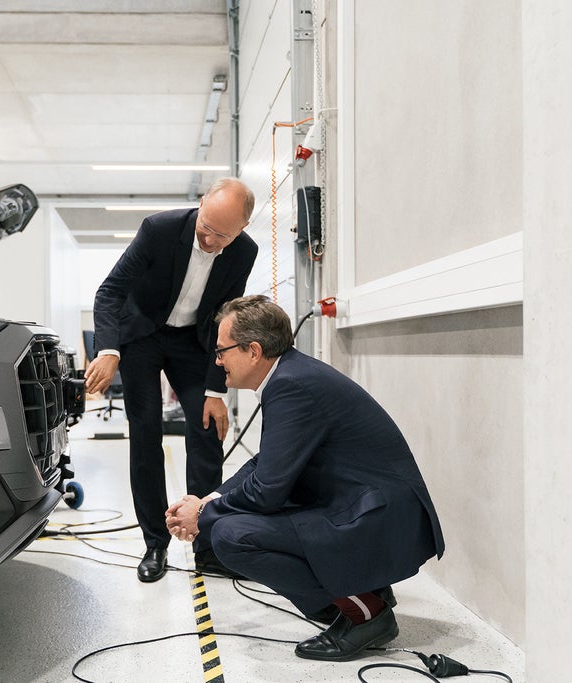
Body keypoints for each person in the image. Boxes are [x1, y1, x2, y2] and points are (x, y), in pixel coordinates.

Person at [165, 295, 445, 661]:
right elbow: (267, 465)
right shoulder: (291, 375)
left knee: (232, 537)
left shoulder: (290, 386)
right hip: (369, 509)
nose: (218, 361)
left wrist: (202, 518)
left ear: (252, 351)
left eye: (222, 351)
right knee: (229, 522)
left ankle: (366, 614)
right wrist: (208, 501)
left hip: (377, 520)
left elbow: (266, 491)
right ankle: (364, 592)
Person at [85, 178, 259, 583]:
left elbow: (226, 318)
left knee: (206, 429)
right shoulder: (159, 229)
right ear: (200, 206)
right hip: (141, 337)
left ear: (242, 230)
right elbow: (110, 291)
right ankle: (155, 543)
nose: (212, 240)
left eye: (224, 235)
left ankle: (207, 543)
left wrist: (217, 390)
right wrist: (109, 351)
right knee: (145, 431)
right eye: (206, 229)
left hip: (193, 343)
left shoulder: (244, 252)